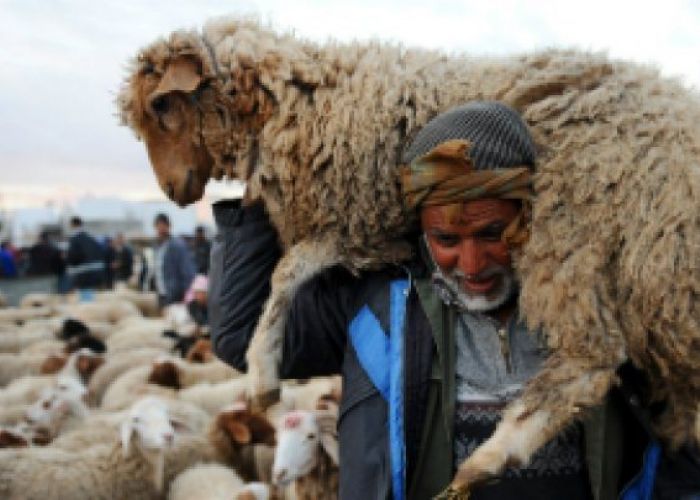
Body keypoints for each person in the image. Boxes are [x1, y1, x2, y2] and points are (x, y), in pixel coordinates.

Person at [208, 102, 700, 499]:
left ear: (533, 215)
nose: (471, 263)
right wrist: (255, 196)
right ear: (421, 231)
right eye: (446, 239)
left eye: (494, 232)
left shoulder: (607, 306)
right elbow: (239, 338)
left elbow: (679, 437)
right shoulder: (376, 307)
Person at [152, 213, 196, 308]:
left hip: (175, 294)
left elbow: (188, 271)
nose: (160, 228)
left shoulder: (178, 245)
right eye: (158, 225)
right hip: (161, 293)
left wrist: (187, 294)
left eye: (163, 225)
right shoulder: (157, 247)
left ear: (169, 226)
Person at [66, 217, 105, 296]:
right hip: (96, 272)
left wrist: (67, 259)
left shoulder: (75, 239)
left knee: (86, 300)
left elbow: (73, 257)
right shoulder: (90, 238)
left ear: (72, 225)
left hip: (84, 274)